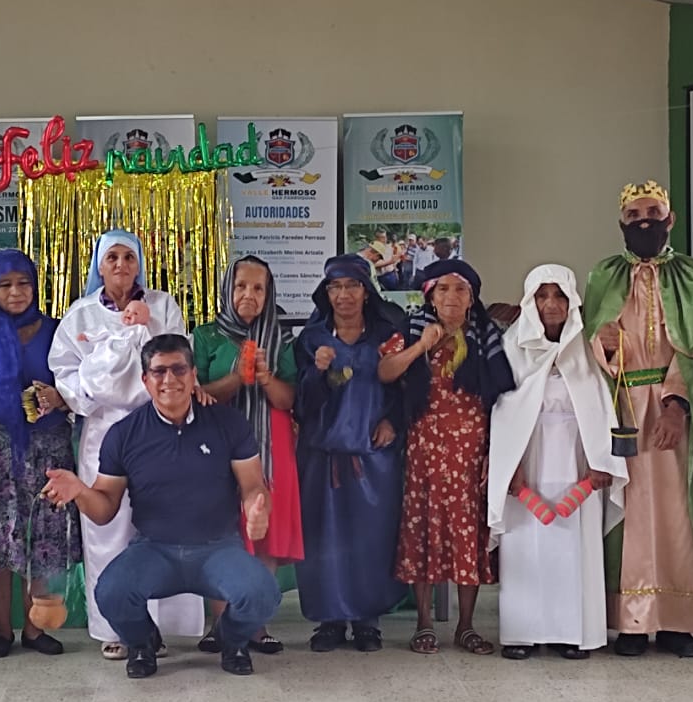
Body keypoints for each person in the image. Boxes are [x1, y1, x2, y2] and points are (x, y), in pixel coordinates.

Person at [42, 334, 279, 678]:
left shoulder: (228, 423)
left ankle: (232, 639)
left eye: (179, 369)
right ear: (145, 379)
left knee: (263, 593)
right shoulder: (124, 433)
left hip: (218, 549)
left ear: (193, 375)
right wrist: (79, 490)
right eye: (159, 372)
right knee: (111, 593)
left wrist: (258, 506)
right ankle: (142, 643)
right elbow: (104, 509)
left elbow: (254, 485)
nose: (170, 380)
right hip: (155, 549)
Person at [48, 230, 203, 659]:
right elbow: (66, 374)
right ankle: (116, 627)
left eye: (129, 257)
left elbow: (179, 360)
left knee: (162, 525)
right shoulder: (80, 315)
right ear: (99, 266)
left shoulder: (162, 306)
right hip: (104, 431)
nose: (120, 265)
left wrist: (147, 325)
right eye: (112, 257)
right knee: (108, 531)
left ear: (140, 265)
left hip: (161, 429)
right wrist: (94, 388)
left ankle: (160, 627)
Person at [583, 179, 693, 657]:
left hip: (674, 405)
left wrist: (676, 405)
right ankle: (631, 623)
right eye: (634, 215)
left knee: (676, 511)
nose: (644, 222)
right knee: (629, 510)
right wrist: (603, 345)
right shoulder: (604, 274)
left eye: (653, 213)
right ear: (621, 223)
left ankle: (678, 623)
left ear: (670, 219)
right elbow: (588, 340)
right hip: (621, 406)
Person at [487, 265, 628, 659]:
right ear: (529, 301)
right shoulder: (513, 346)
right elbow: (504, 409)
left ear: (572, 301)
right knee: (524, 547)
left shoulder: (586, 347)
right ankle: (522, 633)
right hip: (527, 456)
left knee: (572, 547)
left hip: (577, 460)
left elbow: (601, 405)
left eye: (559, 295)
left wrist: (602, 460)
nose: (551, 304)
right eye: (542, 295)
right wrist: (509, 467)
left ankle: (571, 633)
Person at [0, 249, 80, 659]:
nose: (16, 292)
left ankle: (35, 629)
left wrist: (60, 398)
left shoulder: (57, 330)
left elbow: (78, 383)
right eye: (5, 285)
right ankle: (3, 628)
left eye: (24, 283)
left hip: (48, 447)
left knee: (44, 535)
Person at [383, 259, 514, 655]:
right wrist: (422, 347)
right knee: (423, 531)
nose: (451, 297)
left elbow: (504, 398)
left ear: (472, 299)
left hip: (472, 453)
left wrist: (497, 452)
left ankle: (466, 626)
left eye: (460, 290)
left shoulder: (488, 337)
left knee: (467, 534)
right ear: (430, 297)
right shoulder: (412, 331)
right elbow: (386, 371)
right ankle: (424, 623)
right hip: (424, 451)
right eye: (443, 289)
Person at [294, 254, 408, 653]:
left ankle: (367, 620)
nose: (343, 295)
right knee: (323, 541)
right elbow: (300, 404)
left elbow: (409, 387)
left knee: (370, 539)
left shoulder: (387, 335)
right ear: (326, 294)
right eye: (335, 287)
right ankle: (329, 621)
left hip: (373, 457)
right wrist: (317, 373)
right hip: (321, 456)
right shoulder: (311, 339)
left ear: (366, 291)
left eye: (352, 286)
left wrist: (394, 421)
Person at [192, 256, 302, 654]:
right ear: (228, 290)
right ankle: (220, 625)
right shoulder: (207, 336)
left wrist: (267, 378)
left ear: (269, 294)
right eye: (241, 286)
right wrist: (237, 377)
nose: (249, 295)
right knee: (221, 532)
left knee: (265, 531)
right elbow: (198, 396)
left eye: (258, 288)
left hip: (272, 445)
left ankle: (256, 624)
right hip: (219, 442)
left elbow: (289, 400)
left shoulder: (281, 338)